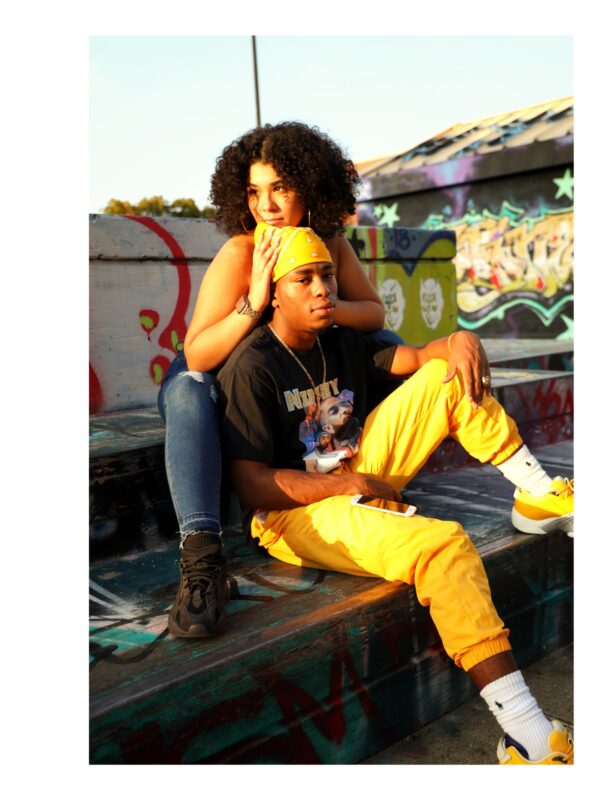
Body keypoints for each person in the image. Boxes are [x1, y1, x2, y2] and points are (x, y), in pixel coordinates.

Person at [218, 224, 574, 764]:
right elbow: (251, 485)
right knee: (443, 546)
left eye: (327, 275)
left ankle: (538, 492)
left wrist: (460, 340)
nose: (322, 289)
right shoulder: (252, 365)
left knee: (448, 375)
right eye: (304, 279)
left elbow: (423, 358)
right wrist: (348, 485)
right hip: (293, 512)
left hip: (357, 466)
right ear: (274, 292)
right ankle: (528, 736)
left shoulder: (337, 338)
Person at [159, 122, 393, 640]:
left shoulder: (329, 244)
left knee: (387, 345)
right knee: (189, 391)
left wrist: (326, 308)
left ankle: (378, 470)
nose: (266, 204)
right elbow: (198, 353)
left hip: (281, 379)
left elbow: (374, 314)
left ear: (311, 186)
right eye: (254, 191)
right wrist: (258, 298)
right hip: (217, 373)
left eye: (280, 187)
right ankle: (202, 559)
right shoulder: (242, 253)